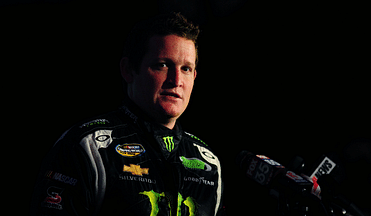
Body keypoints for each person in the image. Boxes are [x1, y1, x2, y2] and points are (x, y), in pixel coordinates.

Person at [30, 12, 225, 216]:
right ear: (128, 69)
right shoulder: (87, 146)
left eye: (185, 68)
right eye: (163, 65)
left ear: (194, 77)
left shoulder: (210, 164)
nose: (176, 80)